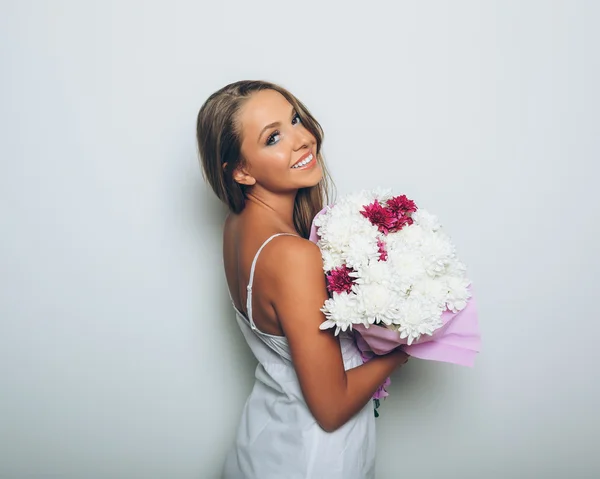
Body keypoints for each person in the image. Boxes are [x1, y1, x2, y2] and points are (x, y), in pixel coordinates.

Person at [196, 80, 409, 478]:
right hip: (313, 459)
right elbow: (330, 409)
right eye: (273, 137)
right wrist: (405, 347)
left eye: (294, 119)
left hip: (263, 441)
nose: (301, 140)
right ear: (241, 171)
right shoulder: (292, 255)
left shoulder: (237, 226)